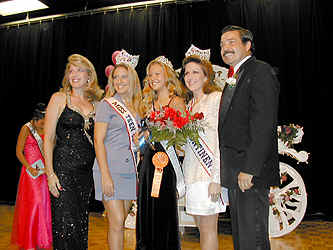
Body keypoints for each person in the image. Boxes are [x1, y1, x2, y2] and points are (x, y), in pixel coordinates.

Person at [218, 25, 280, 250]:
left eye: (231, 42)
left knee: (252, 238)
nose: (225, 48)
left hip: (249, 173)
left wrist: (250, 169)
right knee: (243, 237)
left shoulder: (259, 71)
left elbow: (263, 124)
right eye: (222, 44)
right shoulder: (235, 76)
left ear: (247, 45)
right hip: (236, 172)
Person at [44, 54, 103, 250]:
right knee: (64, 225)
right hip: (63, 171)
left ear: (89, 75)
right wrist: (50, 174)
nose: (74, 74)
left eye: (79, 70)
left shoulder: (97, 104)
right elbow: (49, 138)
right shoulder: (59, 98)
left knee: (80, 224)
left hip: (85, 175)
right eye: (71, 70)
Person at [93, 49, 143, 250]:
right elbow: (98, 140)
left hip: (130, 170)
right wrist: (105, 175)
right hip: (109, 169)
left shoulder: (139, 106)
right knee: (116, 221)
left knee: (121, 223)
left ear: (132, 79)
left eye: (124, 77)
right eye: (116, 77)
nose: (120, 81)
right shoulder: (107, 105)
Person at [136, 56, 186, 250]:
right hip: (148, 164)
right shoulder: (147, 103)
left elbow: (182, 139)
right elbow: (142, 139)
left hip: (168, 164)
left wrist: (165, 131)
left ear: (167, 76)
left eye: (157, 73)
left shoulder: (178, 102)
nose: (152, 78)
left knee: (164, 210)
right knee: (146, 208)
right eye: (150, 75)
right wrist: (139, 140)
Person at [182, 50, 226, 250]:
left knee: (208, 229)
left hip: (209, 175)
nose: (189, 77)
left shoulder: (216, 99)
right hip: (192, 176)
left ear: (206, 76)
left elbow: (220, 139)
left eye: (195, 72)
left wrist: (216, 178)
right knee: (201, 227)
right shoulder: (189, 105)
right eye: (187, 73)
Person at [11, 103, 52, 250]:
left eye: (45, 118)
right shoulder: (26, 128)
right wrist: (28, 167)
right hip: (30, 174)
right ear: (34, 119)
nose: (42, 122)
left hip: (44, 172)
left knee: (45, 205)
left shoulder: (47, 128)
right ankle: (29, 239)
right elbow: (18, 152)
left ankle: (42, 239)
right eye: (40, 119)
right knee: (34, 203)